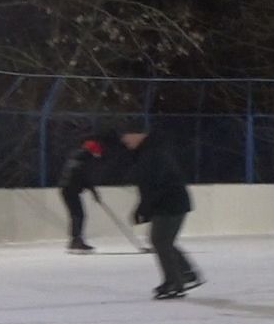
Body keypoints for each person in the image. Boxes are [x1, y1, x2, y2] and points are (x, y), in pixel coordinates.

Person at [121, 129, 201, 300]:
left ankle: (174, 282)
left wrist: (144, 209)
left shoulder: (152, 152)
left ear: (139, 134)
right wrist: (144, 208)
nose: (124, 139)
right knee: (163, 241)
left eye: (127, 135)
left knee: (160, 241)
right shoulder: (147, 151)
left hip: (171, 203)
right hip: (169, 202)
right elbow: (148, 184)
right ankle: (185, 274)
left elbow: (157, 183)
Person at [58, 138, 105, 253]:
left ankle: (76, 240)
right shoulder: (84, 161)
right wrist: (94, 192)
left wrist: (92, 191)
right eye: (96, 153)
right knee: (78, 214)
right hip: (70, 190)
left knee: (77, 214)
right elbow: (85, 179)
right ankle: (76, 240)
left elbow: (81, 178)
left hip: (66, 189)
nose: (96, 156)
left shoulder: (77, 157)